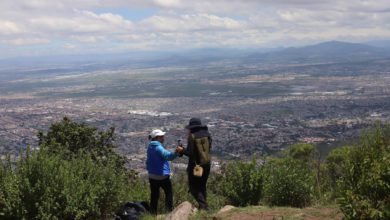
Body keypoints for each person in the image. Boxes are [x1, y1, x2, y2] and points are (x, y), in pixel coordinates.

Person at [146, 129, 182, 215]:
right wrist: (176, 152)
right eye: (161, 136)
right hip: (162, 176)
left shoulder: (149, 147)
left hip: (152, 175)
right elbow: (168, 157)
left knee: (154, 196)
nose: (163, 138)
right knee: (168, 193)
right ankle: (169, 213)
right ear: (157, 138)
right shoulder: (158, 147)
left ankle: (152, 214)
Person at [180, 118, 212, 210]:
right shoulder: (207, 134)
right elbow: (209, 148)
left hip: (195, 166)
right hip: (207, 164)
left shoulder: (193, 136)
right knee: (202, 187)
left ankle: (204, 207)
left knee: (193, 187)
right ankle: (203, 208)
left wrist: (182, 150)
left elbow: (190, 153)